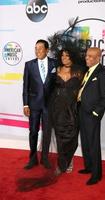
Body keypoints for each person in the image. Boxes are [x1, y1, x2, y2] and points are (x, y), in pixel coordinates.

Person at [78, 47, 105, 185]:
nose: (87, 58)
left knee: (93, 144)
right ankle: (89, 167)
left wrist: (96, 113)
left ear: (99, 58)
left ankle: (96, 175)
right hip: (81, 111)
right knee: (85, 142)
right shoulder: (88, 71)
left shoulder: (102, 73)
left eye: (91, 56)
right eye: (87, 56)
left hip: (92, 114)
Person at [48, 48, 84, 175]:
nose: (64, 58)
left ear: (72, 56)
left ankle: (69, 159)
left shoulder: (79, 71)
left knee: (71, 136)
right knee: (59, 136)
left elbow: (85, 89)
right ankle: (62, 164)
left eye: (67, 55)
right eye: (62, 55)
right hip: (57, 108)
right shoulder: (56, 69)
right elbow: (50, 88)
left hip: (72, 108)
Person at [23, 39, 57, 170]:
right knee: (33, 131)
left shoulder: (55, 63)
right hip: (34, 105)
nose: (37, 51)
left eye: (40, 48)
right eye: (36, 48)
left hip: (49, 105)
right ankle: (32, 159)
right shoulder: (29, 65)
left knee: (47, 132)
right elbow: (25, 86)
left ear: (47, 50)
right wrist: (25, 105)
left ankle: (45, 158)